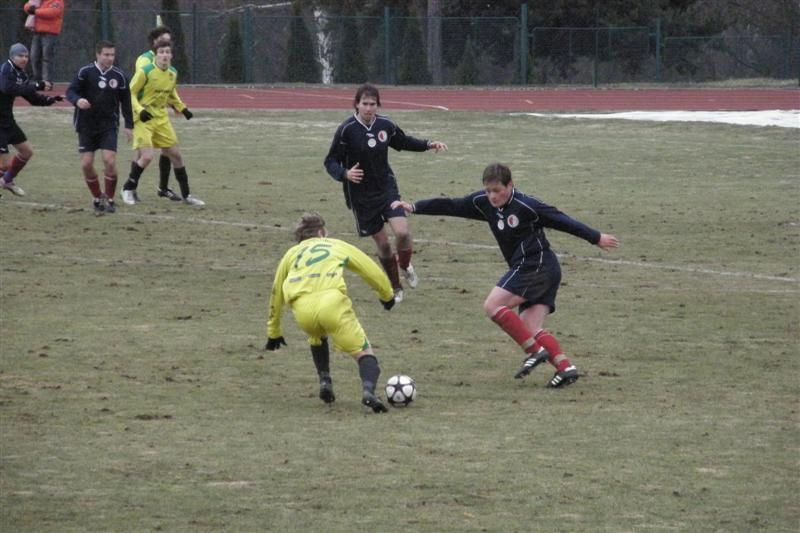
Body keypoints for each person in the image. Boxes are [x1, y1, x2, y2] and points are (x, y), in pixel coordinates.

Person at [392, 163, 620, 388]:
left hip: (536, 265)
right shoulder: (483, 202)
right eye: (488, 190)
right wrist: (414, 207)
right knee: (530, 327)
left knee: (493, 305)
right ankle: (565, 368)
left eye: (497, 190)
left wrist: (595, 237)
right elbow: (452, 205)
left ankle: (534, 352)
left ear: (510, 185)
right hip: (542, 268)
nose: (492, 196)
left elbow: (563, 221)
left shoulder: (527, 205)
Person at [324, 83, 448, 303]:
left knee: (402, 233)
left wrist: (428, 144)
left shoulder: (386, 125)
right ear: (356, 104)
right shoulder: (346, 130)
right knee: (383, 244)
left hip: (386, 189)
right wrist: (344, 174)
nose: (369, 108)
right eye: (365, 104)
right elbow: (330, 160)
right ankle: (396, 287)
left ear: (378, 105)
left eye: (373, 104)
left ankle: (405, 265)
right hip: (361, 197)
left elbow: (403, 141)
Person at [265, 212, 396, 413]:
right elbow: (369, 269)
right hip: (331, 303)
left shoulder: (291, 254)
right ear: (321, 232)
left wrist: (273, 331)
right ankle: (369, 392)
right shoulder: (335, 245)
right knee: (364, 352)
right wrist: (386, 295)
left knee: (316, 336)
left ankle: (325, 380)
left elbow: (276, 291)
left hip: (302, 309)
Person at [121, 40, 204, 206]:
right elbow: (130, 93)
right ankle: (127, 188)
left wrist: (183, 108)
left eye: (167, 52)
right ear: (156, 55)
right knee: (147, 156)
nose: (165, 55)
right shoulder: (145, 71)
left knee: (176, 155)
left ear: (171, 55)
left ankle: (187, 195)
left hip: (161, 118)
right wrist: (139, 110)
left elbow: (171, 94)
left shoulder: (172, 73)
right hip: (143, 117)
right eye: (161, 52)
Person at [65, 40, 133, 215]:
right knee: (86, 164)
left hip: (108, 125)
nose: (110, 58)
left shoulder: (119, 76)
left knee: (109, 160)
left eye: (112, 55)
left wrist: (129, 125)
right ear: (97, 54)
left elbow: (126, 102)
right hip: (86, 125)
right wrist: (78, 100)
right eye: (106, 54)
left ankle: (109, 199)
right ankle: (97, 197)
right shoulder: (85, 72)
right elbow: (70, 91)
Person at [0, 43, 61, 197]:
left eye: (26, 56)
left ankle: (7, 181)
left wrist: (50, 100)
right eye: (20, 56)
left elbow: (31, 97)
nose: (24, 59)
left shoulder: (22, 75)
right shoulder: (6, 69)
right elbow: (7, 88)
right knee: (5, 164)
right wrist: (38, 85)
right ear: (12, 57)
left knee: (27, 152)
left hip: (7, 120)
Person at [134, 25, 181, 201]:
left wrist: (175, 103)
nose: (166, 43)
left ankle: (163, 188)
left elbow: (168, 85)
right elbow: (145, 85)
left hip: (159, 113)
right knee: (143, 154)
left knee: (166, 149)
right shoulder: (145, 60)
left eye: (169, 40)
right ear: (154, 42)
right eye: (163, 40)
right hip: (143, 112)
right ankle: (131, 189)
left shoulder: (165, 58)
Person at [23, 0, 66, 86]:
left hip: (50, 33)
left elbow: (53, 12)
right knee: (34, 57)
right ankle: (38, 80)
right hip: (37, 32)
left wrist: (35, 11)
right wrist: (29, 8)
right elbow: (27, 6)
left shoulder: (58, 1)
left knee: (47, 58)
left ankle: (47, 81)